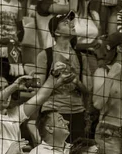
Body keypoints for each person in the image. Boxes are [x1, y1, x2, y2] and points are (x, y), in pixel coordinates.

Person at [36, 12, 91, 143]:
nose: (71, 24)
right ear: (57, 32)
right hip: (53, 112)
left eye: (71, 22)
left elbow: (88, 89)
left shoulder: (81, 57)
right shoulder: (45, 55)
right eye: (66, 23)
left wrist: (76, 81)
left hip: (78, 112)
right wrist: (58, 81)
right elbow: (38, 89)